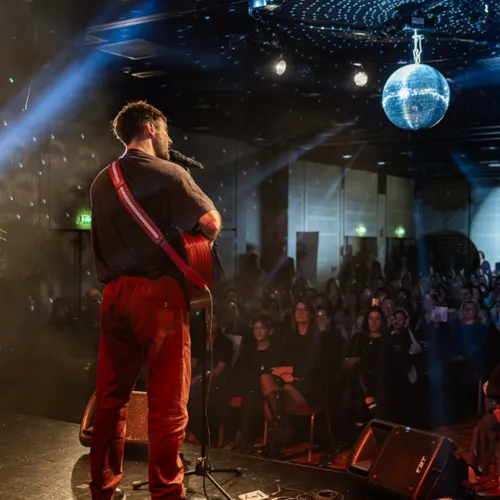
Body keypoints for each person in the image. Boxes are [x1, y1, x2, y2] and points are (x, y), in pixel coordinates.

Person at [89, 101, 222, 500]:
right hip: (158, 298)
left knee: (110, 403)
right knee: (167, 404)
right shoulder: (170, 173)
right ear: (149, 127)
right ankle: (166, 493)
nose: (169, 140)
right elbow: (210, 223)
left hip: (113, 297)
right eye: (165, 131)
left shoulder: (101, 181)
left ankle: (102, 490)